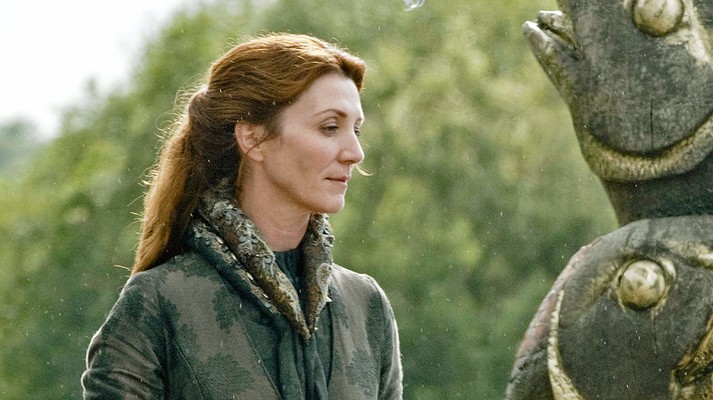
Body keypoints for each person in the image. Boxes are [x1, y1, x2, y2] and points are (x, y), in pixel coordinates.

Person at [81, 33, 403, 399]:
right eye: (330, 127)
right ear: (253, 138)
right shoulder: (158, 303)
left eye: (356, 130)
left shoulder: (366, 306)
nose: (355, 153)